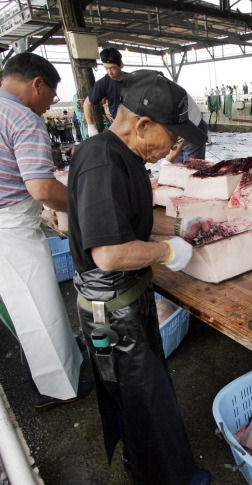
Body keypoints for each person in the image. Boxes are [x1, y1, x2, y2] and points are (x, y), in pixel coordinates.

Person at [67, 70, 211, 485]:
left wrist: (172, 233)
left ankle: (155, 468)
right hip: (112, 312)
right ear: (143, 125)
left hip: (128, 299)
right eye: (173, 136)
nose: (175, 147)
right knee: (142, 402)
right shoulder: (103, 160)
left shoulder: (119, 155)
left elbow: (119, 225)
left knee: (144, 399)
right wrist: (168, 251)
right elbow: (110, 253)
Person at [0, 53, 90, 408]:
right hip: (11, 227)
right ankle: (56, 388)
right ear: (37, 83)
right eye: (50, 98)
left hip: (8, 218)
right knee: (38, 304)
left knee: (25, 305)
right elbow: (41, 188)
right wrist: (85, 205)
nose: (47, 108)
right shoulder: (23, 117)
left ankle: (61, 361)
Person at [83, 47, 125, 138]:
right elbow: (87, 103)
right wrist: (91, 126)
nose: (110, 72)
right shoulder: (104, 83)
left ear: (121, 65)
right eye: (106, 68)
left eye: (113, 68)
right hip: (117, 124)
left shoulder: (132, 80)